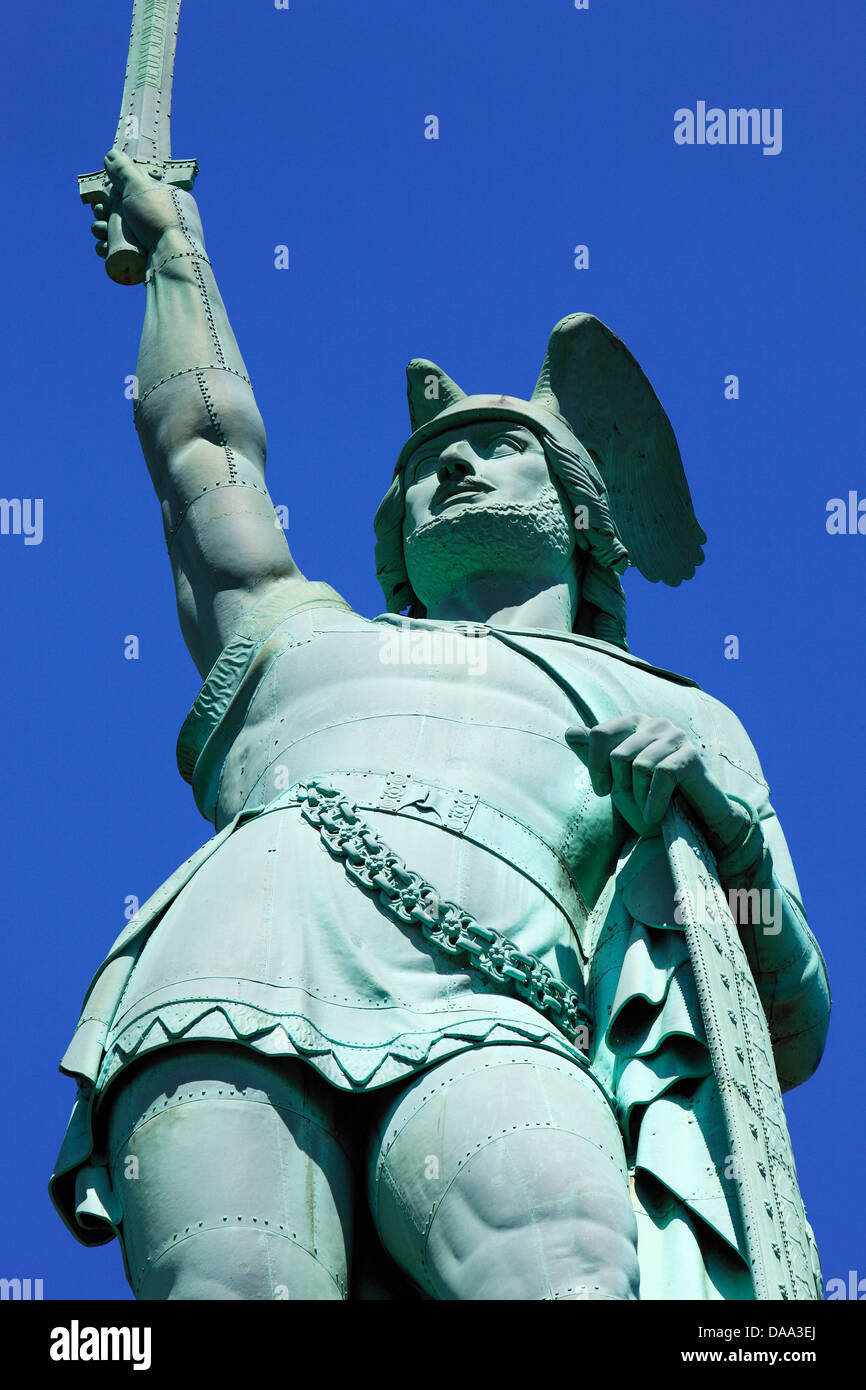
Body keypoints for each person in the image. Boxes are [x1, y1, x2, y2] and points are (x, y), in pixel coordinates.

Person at [49, 151, 830, 1300]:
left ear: (577, 513)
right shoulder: (297, 640)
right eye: (423, 465)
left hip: (505, 1002)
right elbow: (201, 454)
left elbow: (789, 1010)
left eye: (494, 447)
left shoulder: (674, 705)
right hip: (229, 970)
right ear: (395, 533)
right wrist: (175, 254)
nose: (450, 463)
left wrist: (726, 830)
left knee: (563, 1270)